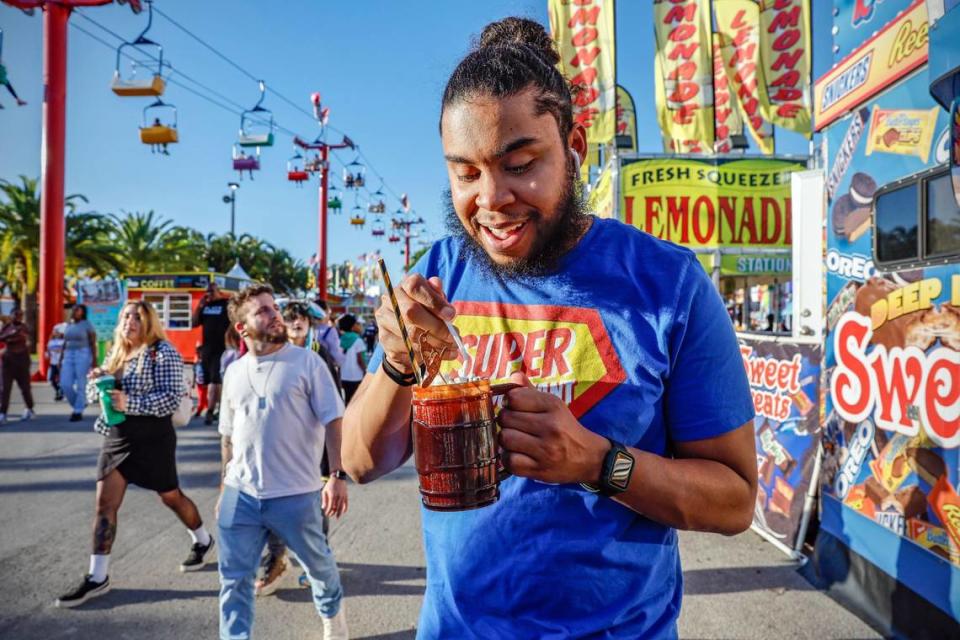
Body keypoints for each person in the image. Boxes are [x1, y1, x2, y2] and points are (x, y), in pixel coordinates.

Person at [341, 17, 757, 639]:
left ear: (575, 147)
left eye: (520, 163)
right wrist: (400, 363)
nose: (491, 199)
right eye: (465, 172)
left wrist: (597, 462)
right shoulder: (438, 274)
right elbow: (359, 460)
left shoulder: (668, 285)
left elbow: (734, 500)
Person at [55, 301, 213, 608]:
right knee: (104, 504)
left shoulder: (161, 352)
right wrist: (97, 382)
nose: (130, 321)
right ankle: (97, 576)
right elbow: (95, 396)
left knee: (170, 496)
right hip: (117, 438)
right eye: (126, 316)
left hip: (153, 438)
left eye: (137, 317)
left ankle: (203, 539)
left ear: (149, 322)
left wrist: (130, 403)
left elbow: (169, 400)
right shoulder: (115, 352)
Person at [217, 285, 348, 640]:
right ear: (242, 328)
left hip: (297, 493)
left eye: (274, 308)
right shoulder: (233, 372)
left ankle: (333, 618)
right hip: (240, 494)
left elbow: (334, 419)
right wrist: (222, 489)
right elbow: (228, 436)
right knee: (234, 579)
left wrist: (336, 475)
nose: (275, 315)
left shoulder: (308, 362)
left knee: (319, 567)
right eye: (263, 311)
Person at [252, 301, 348, 597]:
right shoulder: (269, 356)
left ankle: (318, 562)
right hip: (278, 449)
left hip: (315, 449)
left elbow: (334, 413)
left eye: (301, 318)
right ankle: (276, 560)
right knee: (272, 507)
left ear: (309, 324)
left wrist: (337, 472)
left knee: (316, 512)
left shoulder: (321, 357)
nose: (295, 322)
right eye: (290, 317)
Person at [192, 281, 231, 425]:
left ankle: (210, 411)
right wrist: (200, 305)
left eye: (212, 291)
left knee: (215, 381)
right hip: (206, 349)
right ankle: (215, 408)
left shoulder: (225, 304)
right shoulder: (205, 306)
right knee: (205, 381)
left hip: (221, 349)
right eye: (207, 291)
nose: (209, 294)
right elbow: (194, 322)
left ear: (219, 292)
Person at [61, 304, 97, 421]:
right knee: (65, 384)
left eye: (78, 310)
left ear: (83, 312)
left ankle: (78, 411)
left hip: (83, 353)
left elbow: (92, 342)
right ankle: (79, 403)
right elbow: (65, 342)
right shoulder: (69, 324)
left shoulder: (87, 324)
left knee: (81, 383)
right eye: (74, 309)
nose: (75, 311)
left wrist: (94, 361)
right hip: (68, 354)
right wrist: (61, 357)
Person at [0, 309, 34, 422]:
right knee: (4, 388)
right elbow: (2, 337)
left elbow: (22, 337)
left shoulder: (23, 327)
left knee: (25, 387)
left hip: (22, 360)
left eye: (20, 315)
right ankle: (3, 412)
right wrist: (10, 335)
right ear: (11, 315)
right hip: (8, 360)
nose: (18, 317)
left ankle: (29, 408)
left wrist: (10, 337)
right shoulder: (6, 327)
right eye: (16, 315)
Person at [337, 314, 365, 404]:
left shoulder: (339, 340)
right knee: (356, 400)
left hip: (344, 375)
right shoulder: (358, 340)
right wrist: (365, 371)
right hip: (356, 376)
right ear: (352, 327)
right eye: (356, 324)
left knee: (347, 398)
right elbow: (360, 360)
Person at [46, 323, 66, 401]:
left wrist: (59, 353)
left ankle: (60, 393)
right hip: (53, 363)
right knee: (51, 379)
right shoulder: (50, 342)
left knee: (62, 380)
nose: (55, 332)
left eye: (57, 331)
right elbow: (48, 352)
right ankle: (58, 390)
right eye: (54, 331)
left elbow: (64, 351)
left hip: (61, 363)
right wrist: (48, 354)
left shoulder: (63, 341)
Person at [193, 342, 208, 418]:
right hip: (198, 382)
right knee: (202, 397)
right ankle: (208, 407)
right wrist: (193, 382)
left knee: (202, 397)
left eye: (201, 351)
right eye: (198, 351)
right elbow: (194, 371)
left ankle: (199, 411)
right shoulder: (196, 360)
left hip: (204, 382)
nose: (199, 353)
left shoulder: (206, 361)